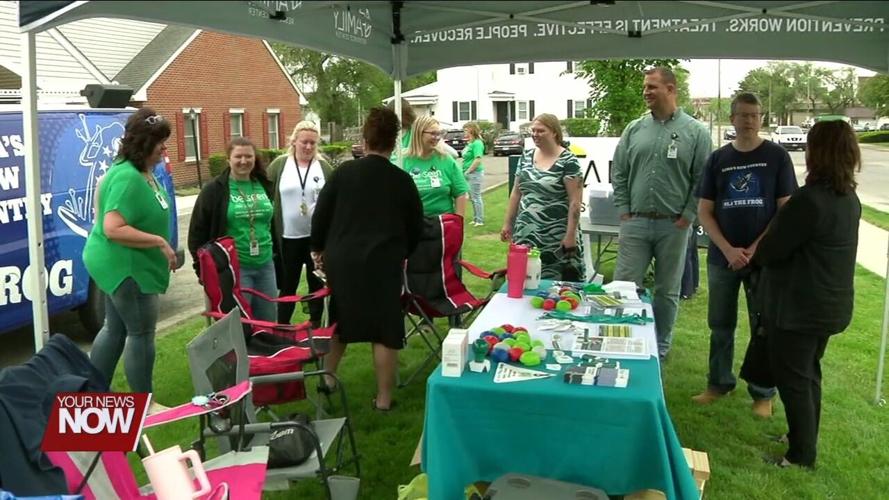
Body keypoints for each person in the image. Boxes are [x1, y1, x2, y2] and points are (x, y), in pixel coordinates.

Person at [752, 120, 861, 468]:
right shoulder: (848, 198)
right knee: (808, 374)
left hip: (800, 308)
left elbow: (771, 250)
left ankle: (800, 456)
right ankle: (801, 437)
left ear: (819, 152)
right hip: (829, 305)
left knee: (795, 380)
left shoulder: (809, 201)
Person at [691, 92, 798, 418]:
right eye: (743, 115)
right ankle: (718, 383)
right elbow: (704, 211)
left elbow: (785, 211)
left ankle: (763, 393)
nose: (749, 120)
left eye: (755, 115)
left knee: (762, 326)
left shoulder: (777, 157)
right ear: (733, 118)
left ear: (761, 118)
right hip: (723, 258)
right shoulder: (718, 159)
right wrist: (726, 248)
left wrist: (754, 249)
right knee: (720, 324)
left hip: (761, 260)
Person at [310, 107, 424, 411]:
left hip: (343, 261)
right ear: (394, 140)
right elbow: (416, 227)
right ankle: (384, 399)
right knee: (385, 329)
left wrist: (318, 248)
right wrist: (403, 252)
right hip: (383, 263)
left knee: (340, 319)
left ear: (365, 138)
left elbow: (320, 215)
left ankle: (328, 378)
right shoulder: (402, 181)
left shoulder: (344, 173)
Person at [611, 66, 712, 360]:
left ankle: (659, 347)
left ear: (670, 89)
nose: (646, 92)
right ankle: (623, 339)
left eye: (652, 87)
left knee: (667, 291)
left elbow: (703, 178)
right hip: (636, 223)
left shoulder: (695, 131)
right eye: (645, 87)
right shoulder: (634, 129)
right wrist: (624, 210)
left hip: (674, 226)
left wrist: (688, 216)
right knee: (624, 288)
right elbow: (619, 171)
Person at [83, 108, 175, 404]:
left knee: (115, 327)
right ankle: (144, 405)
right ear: (142, 142)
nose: (164, 146)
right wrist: (159, 242)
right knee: (141, 333)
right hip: (127, 267)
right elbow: (111, 227)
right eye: (159, 140)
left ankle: (94, 393)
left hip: (124, 263)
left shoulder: (139, 171)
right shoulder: (127, 177)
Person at [188, 137, 276, 321]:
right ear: (228, 159)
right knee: (239, 325)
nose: (243, 161)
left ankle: (264, 350)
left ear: (255, 158)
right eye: (238, 156)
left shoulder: (265, 184)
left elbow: (272, 223)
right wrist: (202, 271)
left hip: (266, 265)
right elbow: (197, 233)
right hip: (235, 269)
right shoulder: (215, 190)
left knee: (268, 322)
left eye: (248, 156)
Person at [500, 113, 585, 281]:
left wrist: (570, 235)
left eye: (541, 131)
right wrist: (508, 223)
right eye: (533, 130)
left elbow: (575, 202)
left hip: (555, 235)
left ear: (554, 132)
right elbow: (516, 193)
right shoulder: (525, 157)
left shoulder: (568, 161)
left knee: (556, 284)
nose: (535, 135)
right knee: (524, 280)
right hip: (526, 232)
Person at [267, 121, 333, 326]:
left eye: (313, 143)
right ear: (294, 141)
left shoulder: (324, 167)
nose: (308, 147)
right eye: (304, 142)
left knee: (316, 284)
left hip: (316, 239)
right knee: (288, 285)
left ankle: (315, 325)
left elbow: (334, 198)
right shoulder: (280, 165)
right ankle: (283, 327)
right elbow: (265, 192)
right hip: (288, 238)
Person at [402, 115, 468, 217]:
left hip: (442, 225)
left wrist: (458, 223)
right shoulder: (402, 161)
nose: (437, 138)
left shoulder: (446, 160)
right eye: (433, 133)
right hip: (412, 226)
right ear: (419, 133)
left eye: (439, 134)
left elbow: (461, 193)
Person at [462, 122, 486, 226]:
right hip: (468, 173)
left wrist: (468, 171)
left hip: (474, 173)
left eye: (466, 130)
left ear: (472, 130)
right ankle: (476, 218)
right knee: (472, 196)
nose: (465, 132)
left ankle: (479, 220)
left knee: (476, 196)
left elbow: (478, 159)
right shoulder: (470, 143)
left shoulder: (477, 143)